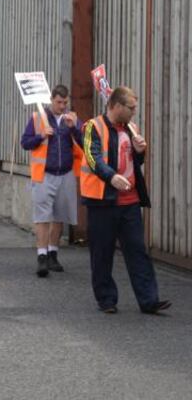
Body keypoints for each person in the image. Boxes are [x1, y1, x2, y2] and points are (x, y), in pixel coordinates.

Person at [80, 86, 170, 314]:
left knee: (138, 251)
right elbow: (93, 158)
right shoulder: (93, 126)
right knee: (102, 253)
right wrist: (111, 177)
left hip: (129, 201)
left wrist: (140, 151)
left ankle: (149, 300)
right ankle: (107, 299)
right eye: (131, 108)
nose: (134, 112)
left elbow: (132, 161)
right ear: (117, 106)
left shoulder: (131, 128)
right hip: (102, 200)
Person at [20, 85, 83, 277]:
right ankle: (42, 256)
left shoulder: (72, 119)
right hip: (44, 174)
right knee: (43, 216)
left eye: (65, 102)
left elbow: (85, 143)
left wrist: (74, 130)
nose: (62, 106)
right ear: (51, 100)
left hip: (66, 174)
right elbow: (25, 143)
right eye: (59, 102)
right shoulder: (38, 118)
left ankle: (53, 254)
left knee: (59, 215)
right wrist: (40, 136)